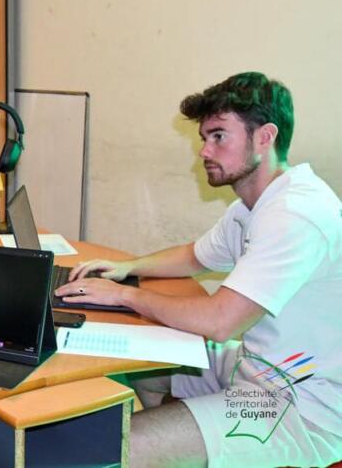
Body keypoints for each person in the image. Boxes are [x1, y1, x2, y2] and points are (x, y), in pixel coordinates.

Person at [55, 72, 342, 468]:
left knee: (116, 449)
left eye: (219, 136)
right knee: (143, 368)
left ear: (265, 137)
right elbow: (195, 256)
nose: (205, 151)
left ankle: (167, 447)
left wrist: (124, 295)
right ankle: (181, 446)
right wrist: (127, 267)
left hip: (298, 404)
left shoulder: (295, 215)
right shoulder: (252, 207)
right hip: (255, 367)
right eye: (204, 137)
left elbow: (220, 322)